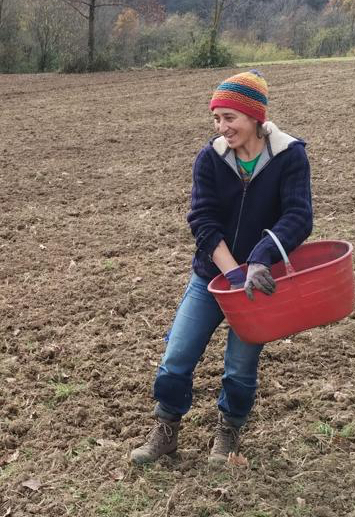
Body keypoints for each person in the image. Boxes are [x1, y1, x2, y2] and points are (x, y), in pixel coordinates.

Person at [130, 70, 313, 465]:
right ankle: (165, 431)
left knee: (240, 366)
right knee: (178, 353)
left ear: (255, 117)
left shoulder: (289, 156)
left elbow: (298, 216)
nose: (221, 127)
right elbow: (202, 220)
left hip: (258, 281)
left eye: (229, 117)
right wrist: (232, 272)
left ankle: (227, 433)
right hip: (212, 277)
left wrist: (260, 259)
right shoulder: (210, 158)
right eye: (217, 118)